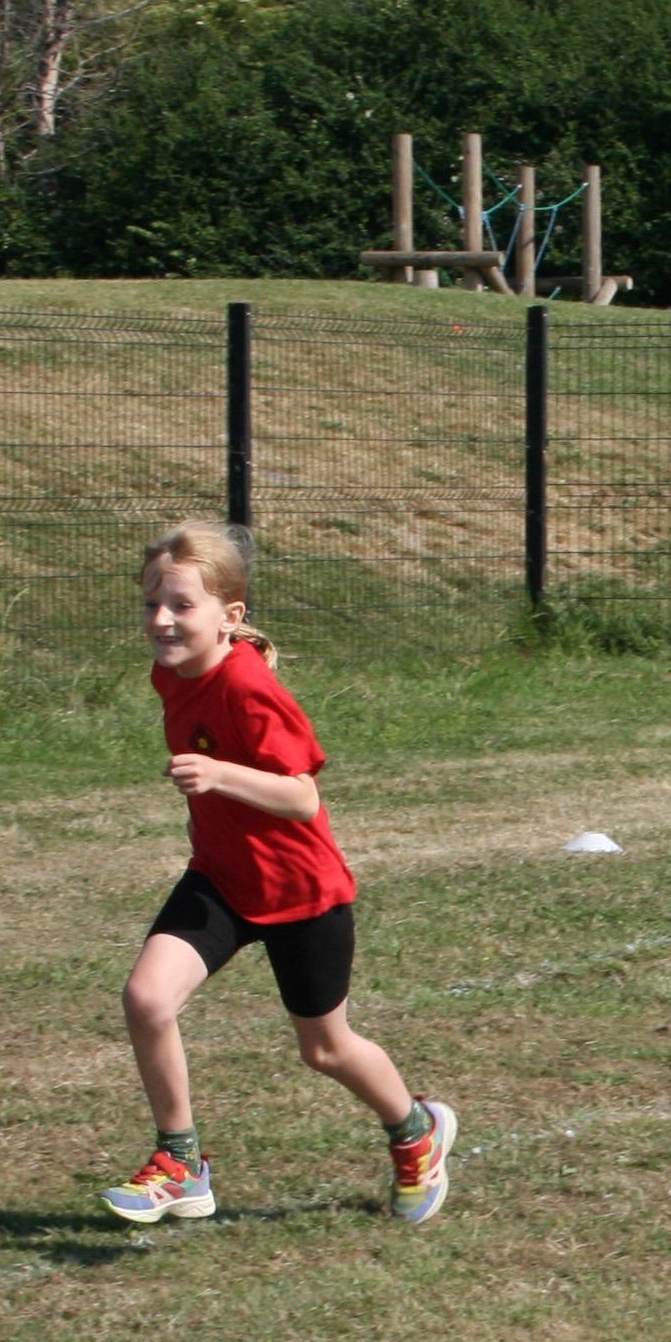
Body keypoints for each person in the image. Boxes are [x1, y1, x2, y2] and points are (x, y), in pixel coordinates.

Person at [105, 521, 453, 1228]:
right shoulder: (171, 672)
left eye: (181, 605)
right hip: (223, 881)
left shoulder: (249, 687)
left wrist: (220, 774)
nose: (162, 620)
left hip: (301, 894)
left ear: (229, 615)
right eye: (151, 604)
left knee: (325, 1048)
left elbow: (301, 798)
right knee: (147, 998)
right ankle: (180, 1163)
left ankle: (416, 1131)